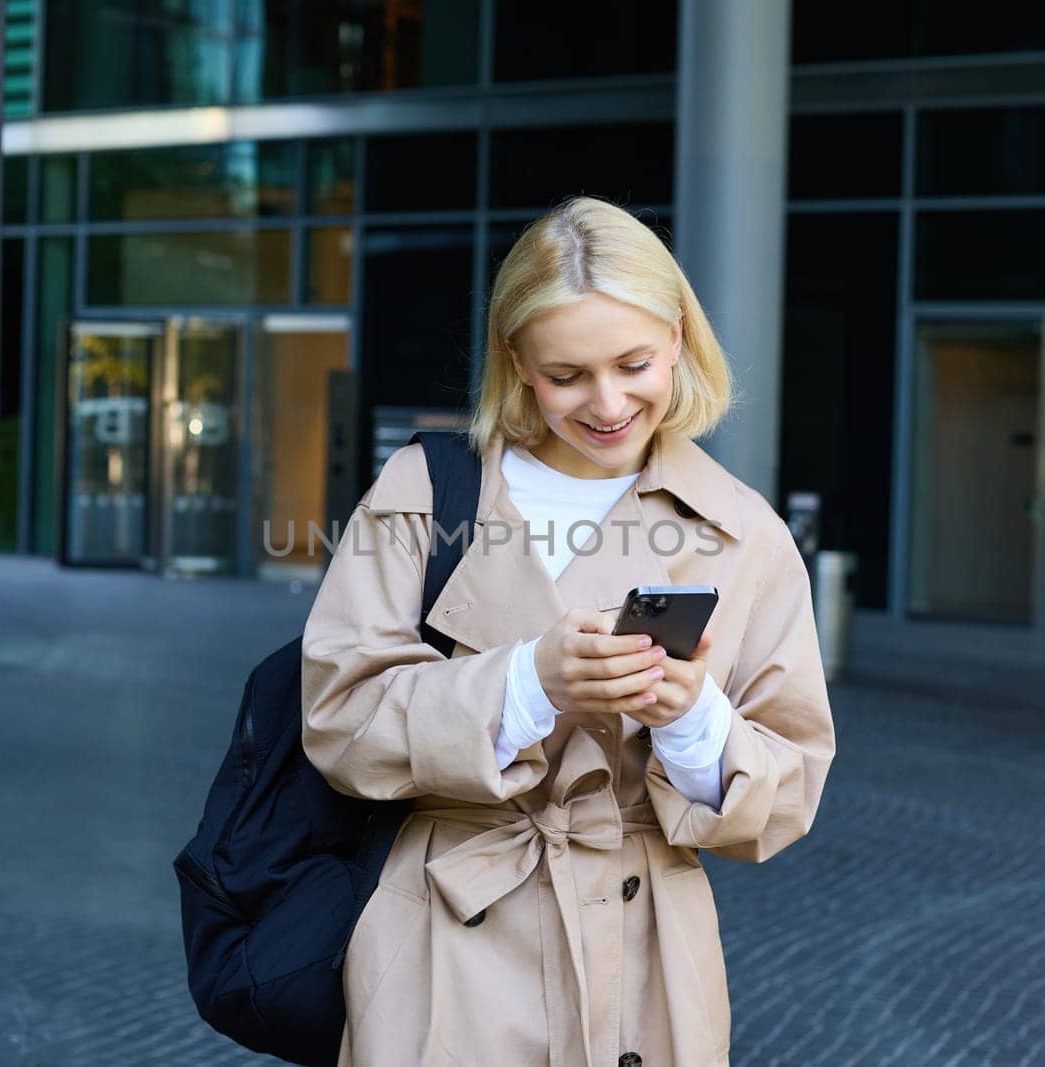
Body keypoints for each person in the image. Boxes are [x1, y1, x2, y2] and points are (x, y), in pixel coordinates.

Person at [301, 195, 836, 1066]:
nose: (609, 402)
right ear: (515, 361)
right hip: (446, 935)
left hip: (648, 950)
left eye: (634, 362)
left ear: (678, 335)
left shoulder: (745, 531)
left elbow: (788, 789)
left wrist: (692, 717)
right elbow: (339, 718)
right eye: (566, 375)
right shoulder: (423, 491)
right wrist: (529, 681)